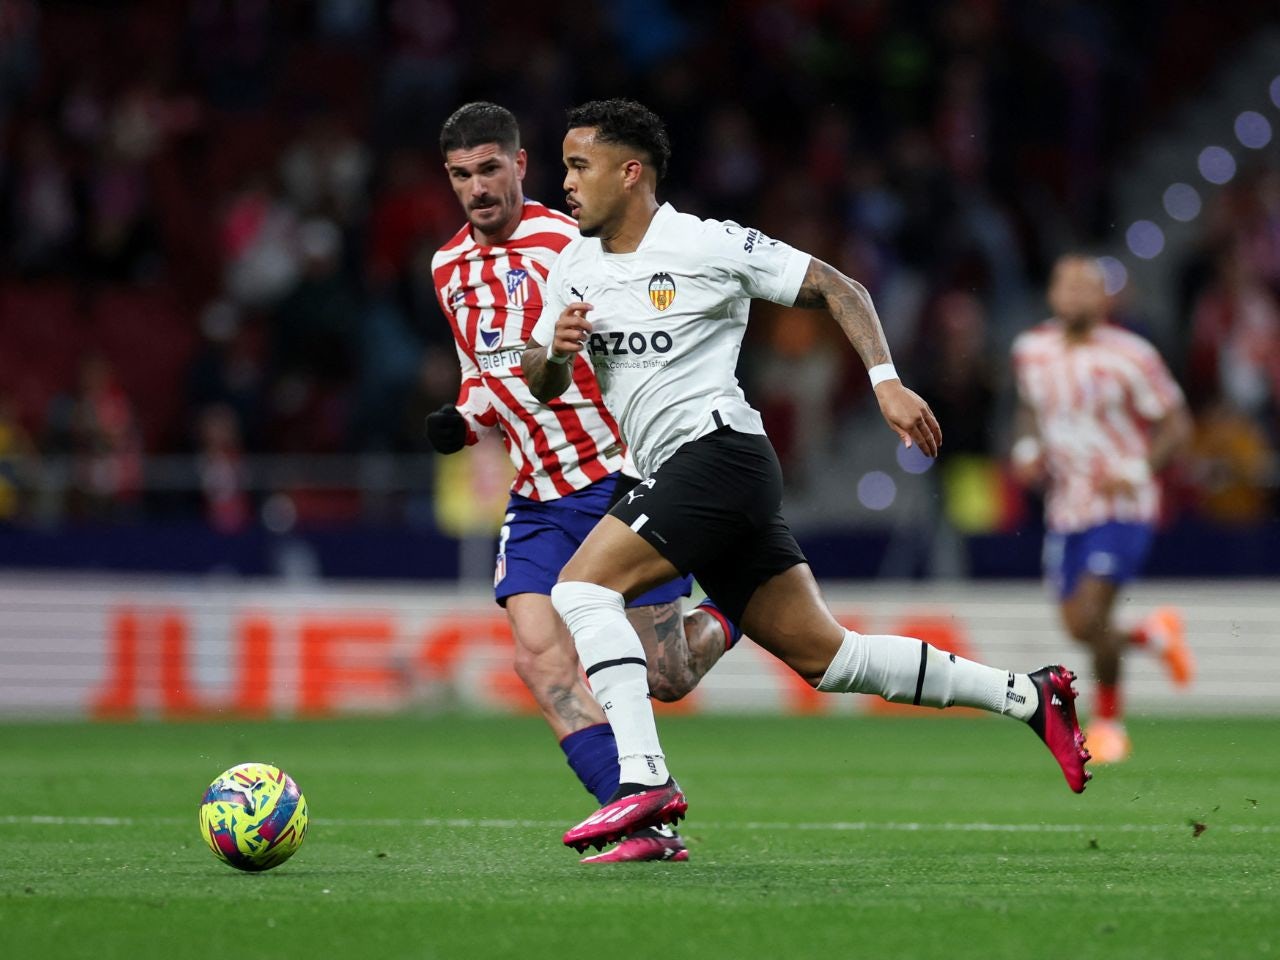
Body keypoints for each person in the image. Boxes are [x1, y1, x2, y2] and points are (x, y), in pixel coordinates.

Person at [522, 98, 1092, 854]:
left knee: (579, 589)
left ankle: (644, 784)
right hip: (673, 474)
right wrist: (557, 353)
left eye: (577, 165)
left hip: (720, 453)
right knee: (830, 658)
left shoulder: (706, 244)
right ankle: (1031, 696)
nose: (565, 181)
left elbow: (839, 288)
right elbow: (539, 380)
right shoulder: (574, 264)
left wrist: (885, 380)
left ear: (631, 174)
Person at [427, 102, 736, 863]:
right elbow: (484, 374)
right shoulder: (446, 269)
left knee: (667, 675)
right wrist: (465, 420)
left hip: (615, 477)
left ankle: (741, 606)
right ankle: (635, 818)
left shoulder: (572, 239)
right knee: (538, 657)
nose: (478, 188)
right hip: (536, 492)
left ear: (521, 164)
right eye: (462, 175)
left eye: (490, 168)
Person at [1010, 255, 1194, 764]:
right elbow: (1028, 408)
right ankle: (1153, 635)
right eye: (1064, 285)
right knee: (1076, 625)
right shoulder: (1031, 350)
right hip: (1066, 505)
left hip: (1122, 502)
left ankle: (1110, 723)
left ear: (1105, 298)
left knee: (1092, 613)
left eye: (1085, 287)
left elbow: (1177, 424)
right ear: (1051, 294)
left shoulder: (1131, 355)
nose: (1073, 295)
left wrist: (1138, 468)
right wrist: (1027, 449)